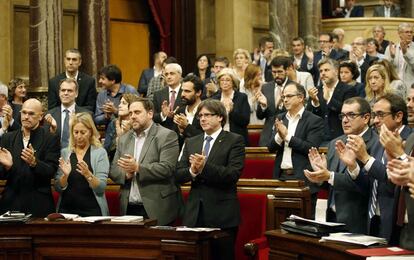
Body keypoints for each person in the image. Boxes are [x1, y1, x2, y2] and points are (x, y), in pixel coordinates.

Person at [176, 99, 245, 260]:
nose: (202, 119)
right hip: (194, 214)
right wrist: (192, 170)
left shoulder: (234, 140)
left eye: (207, 115)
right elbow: (178, 175)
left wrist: (204, 168)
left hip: (222, 215)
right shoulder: (191, 141)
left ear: (220, 117)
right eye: (200, 115)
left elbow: (232, 175)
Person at [305, 97, 375, 234]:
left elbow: (367, 185)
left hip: (358, 222)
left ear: (366, 118)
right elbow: (332, 183)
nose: (344, 120)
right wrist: (321, 176)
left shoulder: (375, 143)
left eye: (351, 115)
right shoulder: (335, 143)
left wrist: (329, 176)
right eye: (343, 115)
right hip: (332, 219)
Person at [109, 98, 180, 225]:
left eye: (137, 112)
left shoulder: (166, 136)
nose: (133, 117)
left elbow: (167, 168)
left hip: (157, 207)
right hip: (128, 208)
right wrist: (126, 175)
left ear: (150, 114)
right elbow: (114, 170)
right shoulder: (124, 139)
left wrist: (138, 168)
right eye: (130, 113)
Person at [268, 82, 324, 218]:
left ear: (301, 98)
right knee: (280, 222)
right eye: (283, 97)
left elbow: (310, 148)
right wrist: (280, 137)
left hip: (303, 178)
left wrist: (287, 137)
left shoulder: (314, 120)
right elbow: (270, 147)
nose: (285, 100)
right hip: (282, 177)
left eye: (289, 96)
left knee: (303, 225)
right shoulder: (280, 118)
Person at [0, 99, 60, 217]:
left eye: (31, 114)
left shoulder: (50, 138)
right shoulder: (8, 138)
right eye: (24, 112)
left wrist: (34, 163)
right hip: (11, 203)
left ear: (40, 116)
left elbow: (51, 171)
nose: (26, 117)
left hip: (39, 204)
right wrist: (7, 167)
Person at [55, 112, 110, 216]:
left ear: (90, 132)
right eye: (76, 132)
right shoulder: (65, 153)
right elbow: (58, 187)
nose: (79, 136)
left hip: (92, 211)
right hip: (67, 210)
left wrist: (88, 174)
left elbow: (101, 188)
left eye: (83, 132)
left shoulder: (100, 153)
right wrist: (65, 176)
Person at [307, 58, 357, 145]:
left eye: (326, 70)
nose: (323, 73)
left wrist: (329, 99)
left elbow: (349, 113)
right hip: (319, 139)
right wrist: (315, 103)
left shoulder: (348, 89)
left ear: (336, 71)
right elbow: (309, 116)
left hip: (341, 138)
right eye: (321, 71)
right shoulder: (316, 91)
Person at [256, 56, 294, 146]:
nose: (276, 75)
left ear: (287, 71)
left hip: (288, 134)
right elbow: (260, 116)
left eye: (280, 72)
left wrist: (282, 104)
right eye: (274, 72)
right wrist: (263, 106)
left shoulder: (295, 87)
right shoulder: (266, 87)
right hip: (267, 136)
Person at [44, 78, 92, 148]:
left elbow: (91, 140)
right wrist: (53, 131)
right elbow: (45, 143)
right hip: (55, 156)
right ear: (59, 93)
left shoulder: (87, 115)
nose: (66, 93)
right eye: (63, 90)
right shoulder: (50, 115)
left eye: (69, 91)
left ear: (76, 94)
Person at [212, 68, 250, 145]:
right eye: (222, 80)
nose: (224, 82)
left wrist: (232, 111)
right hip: (218, 137)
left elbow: (245, 121)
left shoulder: (241, 97)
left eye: (228, 80)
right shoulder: (214, 98)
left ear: (233, 82)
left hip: (237, 138)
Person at [104, 93, 140, 161]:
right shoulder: (113, 123)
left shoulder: (137, 125)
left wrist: (127, 134)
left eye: (124, 103)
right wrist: (118, 139)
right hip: (114, 160)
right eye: (120, 103)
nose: (119, 106)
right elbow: (107, 149)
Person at [173, 74, 203, 148]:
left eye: (187, 91)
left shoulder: (206, 111)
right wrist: (181, 132)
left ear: (198, 93)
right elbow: (175, 140)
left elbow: (206, 137)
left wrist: (187, 127)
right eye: (182, 90)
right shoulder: (180, 111)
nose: (183, 94)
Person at [152, 63, 183, 130]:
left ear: (180, 75)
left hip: (182, 133)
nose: (168, 77)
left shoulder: (186, 92)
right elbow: (153, 117)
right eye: (166, 74)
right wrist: (163, 115)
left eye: (172, 73)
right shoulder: (158, 94)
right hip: (163, 133)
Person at [384, 23, 414, 92]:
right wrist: (392, 57)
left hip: (411, 88)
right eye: (407, 32)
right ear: (399, 34)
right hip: (393, 87)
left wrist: (405, 53)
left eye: (411, 32)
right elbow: (385, 69)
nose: (409, 34)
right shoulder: (390, 48)